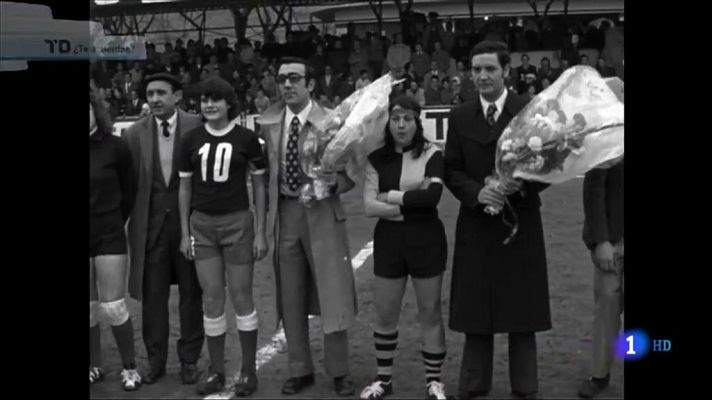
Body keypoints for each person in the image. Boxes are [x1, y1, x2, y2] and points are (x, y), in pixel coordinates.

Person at [443, 41, 551, 400]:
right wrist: (477, 194)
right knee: (476, 308)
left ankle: (525, 387)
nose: (483, 76)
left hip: (519, 225)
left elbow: (549, 166)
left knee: (523, 309)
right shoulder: (459, 116)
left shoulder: (530, 111)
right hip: (475, 225)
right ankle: (474, 385)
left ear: (506, 70)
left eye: (490, 68)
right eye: (476, 70)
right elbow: (452, 170)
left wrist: (516, 187)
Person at [258, 56, 358, 396]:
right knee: (291, 297)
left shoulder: (332, 121)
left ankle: (339, 370)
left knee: (332, 292)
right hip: (285, 214)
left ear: (311, 84)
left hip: (322, 214)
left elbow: (353, 172)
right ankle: (300, 369)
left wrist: (332, 185)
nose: (287, 84)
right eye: (282, 78)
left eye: (294, 78)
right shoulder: (270, 121)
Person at [178, 76, 268, 396]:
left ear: (230, 103)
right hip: (202, 226)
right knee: (212, 298)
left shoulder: (248, 140)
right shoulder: (190, 140)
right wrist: (184, 231)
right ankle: (217, 370)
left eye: (216, 99)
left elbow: (259, 185)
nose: (209, 105)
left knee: (242, 297)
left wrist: (260, 232)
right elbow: (185, 187)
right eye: (204, 100)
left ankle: (248, 371)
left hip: (237, 224)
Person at [360, 95, 448, 400]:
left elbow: (433, 198)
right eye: (395, 118)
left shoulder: (432, 154)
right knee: (385, 313)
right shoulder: (376, 158)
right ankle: (383, 380)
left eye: (407, 118)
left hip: (426, 240)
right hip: (390, 242)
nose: (400, 125)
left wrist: (392, 196)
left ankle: (434, 381)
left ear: (417, 121)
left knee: (430, 312)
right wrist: (411, 199)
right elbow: (369, 207)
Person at [122, 73, 205, 386]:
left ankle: (189, 361)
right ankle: (155, 362)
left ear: (177, 95)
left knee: (191, 295)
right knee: (152, 298)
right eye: (149, 93)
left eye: (161, 93)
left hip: (191, 226)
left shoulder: (198, 125)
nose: (154, 99)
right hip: (150, 229)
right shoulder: (133, 134)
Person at [90, 84, 141, 391]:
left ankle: (130, 367)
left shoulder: (115, 146)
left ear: (96, 109)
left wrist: (113, 219)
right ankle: (94, 365)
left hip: (108, 232)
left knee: (113, 306)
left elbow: (129, 189)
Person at [577, 160, 624, 398]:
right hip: (613, 243)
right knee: (607, 308)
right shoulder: (610, 137)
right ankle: (599, 375)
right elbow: (593, 191)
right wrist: (600, 240)